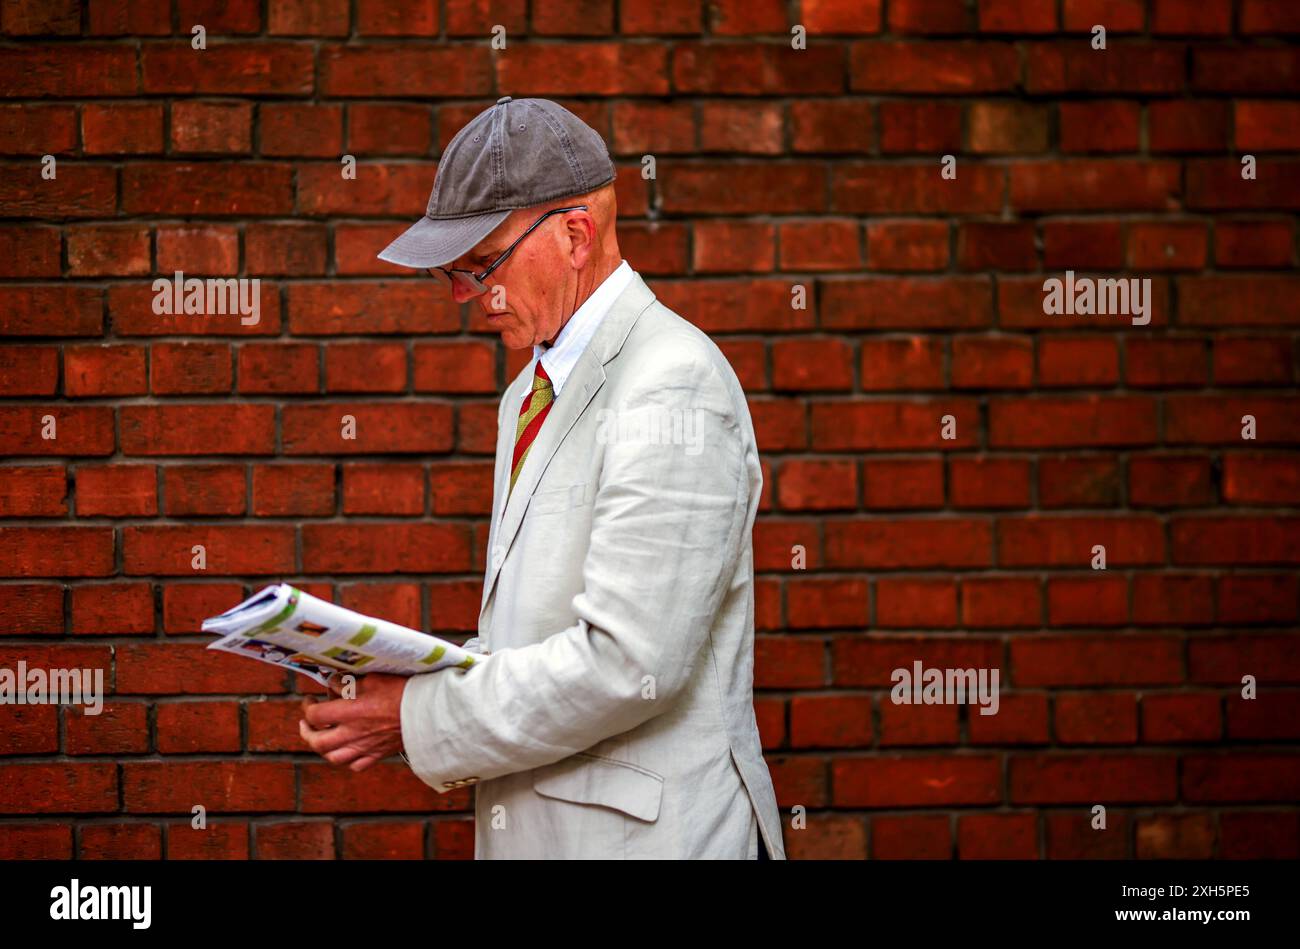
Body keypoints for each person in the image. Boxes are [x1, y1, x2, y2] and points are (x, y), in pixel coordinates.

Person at [299, 96, 785, 860]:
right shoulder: (525, 394)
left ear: (575, 233)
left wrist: (418, 715)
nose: (464, 295)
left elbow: (630, 662)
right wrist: (397, 671)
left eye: (479, 264)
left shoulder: (672, 381)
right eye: (453, 273)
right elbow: (539, 637)